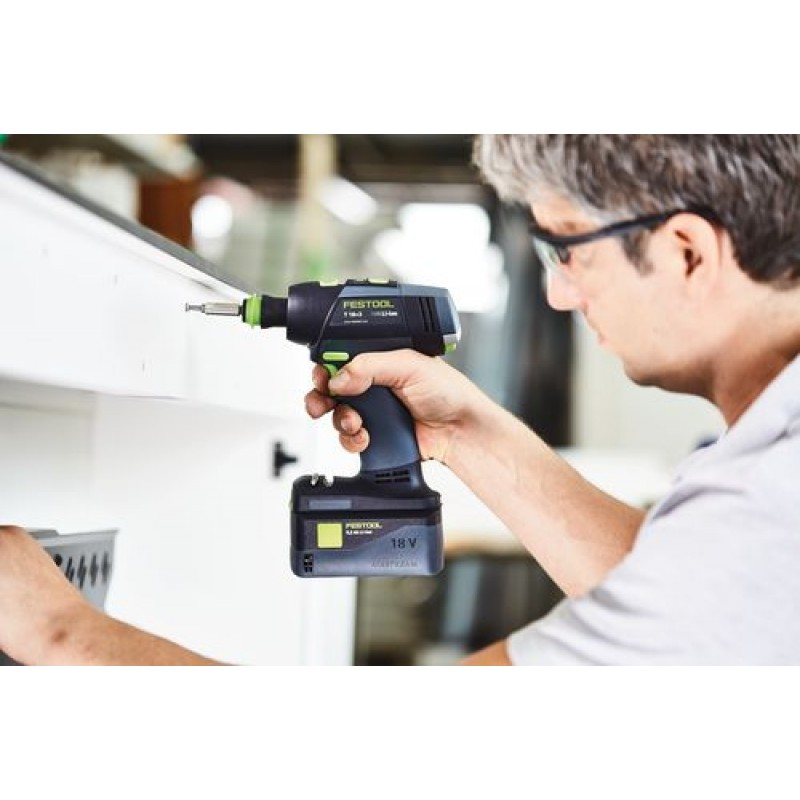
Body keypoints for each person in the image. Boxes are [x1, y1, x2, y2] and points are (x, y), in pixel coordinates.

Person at [2, 134, 800, 665]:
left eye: (566, 249)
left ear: (686, 251)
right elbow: (677, 597)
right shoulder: (763, 483)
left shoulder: (765, 509)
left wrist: (57, 627)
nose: (560, 294)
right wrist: (467, 433)